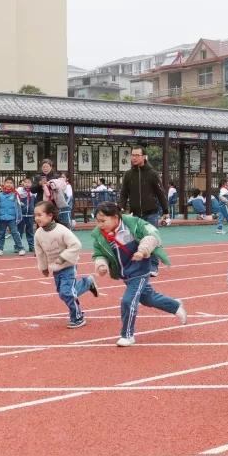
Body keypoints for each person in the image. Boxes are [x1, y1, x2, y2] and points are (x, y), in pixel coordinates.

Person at [91, 201, 186, 346]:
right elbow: (98, 253)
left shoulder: (133, 224)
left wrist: (142, 251)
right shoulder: (99, 234)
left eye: (103, 221)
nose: (100, 224)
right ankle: (174, 305)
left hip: (140, 270)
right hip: (125, 273)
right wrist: (101, 265)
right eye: (97, 221)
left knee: (128, 301)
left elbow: (152, 236)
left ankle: (127, 335)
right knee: (148, 298)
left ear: (116, 217)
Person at [34, 201, 99, 328]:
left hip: (69, 265)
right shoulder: (38, 234)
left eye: (39, 215)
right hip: (55, 268)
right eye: (35, 215)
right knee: (63, 292)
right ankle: (87, 283)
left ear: (50, 215)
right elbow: (40, 253)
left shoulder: (61, 230)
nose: (37, 218)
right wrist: (44, 268)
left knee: (66, 293)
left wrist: (63, 257)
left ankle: (77, 317)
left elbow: (76, 245)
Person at [119, 145, 169, 276]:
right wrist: (121, 207)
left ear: (144, 157)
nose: (134, 158)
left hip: (151, 213)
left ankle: (153, 266)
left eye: (137, 155)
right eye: (132, 155)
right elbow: (124, 193)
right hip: (135, 215)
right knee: (136, 240)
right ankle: (138, 265)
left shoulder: (152, 174)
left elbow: (160, 193)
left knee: (152, 239)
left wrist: (166, 210)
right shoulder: (128, 175)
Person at [0, 176, 25, 256]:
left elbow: (18, 206)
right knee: (1, 234)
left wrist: (19, 217)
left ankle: (20, 248)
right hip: (1, 219)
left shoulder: (15, 195)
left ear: (13, 185)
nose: (9, 184)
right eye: (7, 182)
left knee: (15, 233)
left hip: (12, 218)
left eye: (11, 183)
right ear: (4, 184)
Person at [17, 178, 36, 252]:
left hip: (30, 215)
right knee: (19, 231)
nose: (27, 184)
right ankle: (18, 246)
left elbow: (35, 202)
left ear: (31, 184)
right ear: (23, 183)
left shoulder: (34, 192)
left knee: (30, 231)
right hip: (22, 215)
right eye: (25, 182)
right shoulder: (19, 191)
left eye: (29, 182)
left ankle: (31, 246)